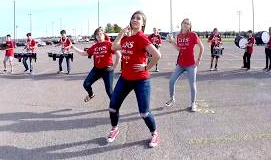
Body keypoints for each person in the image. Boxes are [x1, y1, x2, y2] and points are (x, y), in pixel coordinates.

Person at [108, 11, 161, 148]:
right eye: (133, 18)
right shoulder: (126, 39)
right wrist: (121, 33)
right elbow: (113, 47)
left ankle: (154, 133)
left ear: (143, 24)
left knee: (144, 112)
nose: (135, 20)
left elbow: (157, 55)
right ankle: (114, 129)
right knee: (113, 107)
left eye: (138, 19)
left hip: (141, 80)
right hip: (125, 78)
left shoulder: (141, 37)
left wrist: (146, 68)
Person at [71, 27, 121, 102]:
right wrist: (73, 47)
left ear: (104, 35)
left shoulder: (109, 44)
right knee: (86, 84)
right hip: (97, 69)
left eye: (100, 34)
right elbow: (84, 53)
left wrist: (114, 66)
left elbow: (119, 55)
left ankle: (114, 106)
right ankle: (91, 95)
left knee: (109, 91)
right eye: (97, 34)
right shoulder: (94, 46)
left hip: (107, 70)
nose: (99, 35)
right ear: (96, 37)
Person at [165, 18, 204, 112]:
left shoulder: (193, 35)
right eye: (184, 23)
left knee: (192, 84)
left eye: (188, 24)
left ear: (190, 26)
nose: (186, 25)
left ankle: (193, 103)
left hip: (191, 64)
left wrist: (198, 60)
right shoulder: (179, 36)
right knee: (171, 81)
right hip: (181, 64)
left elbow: (201, 47)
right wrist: (172, 42)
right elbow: (180, 49)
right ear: (181, 24)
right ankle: (172, 99)